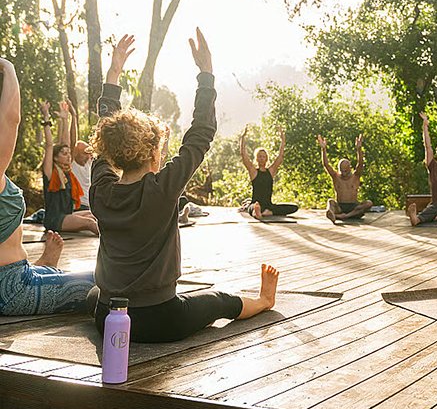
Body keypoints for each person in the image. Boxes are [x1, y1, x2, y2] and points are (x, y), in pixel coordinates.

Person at [90, 31, 279, 343]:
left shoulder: (101, 190)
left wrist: (113, 76)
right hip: (160, 319)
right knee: (218, 301)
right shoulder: (161, 189)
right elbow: (201, 133)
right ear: (153, 154)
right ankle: (263, 301)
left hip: (106, 316)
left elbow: (105, 134)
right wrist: (206, 74)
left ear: (110, 151)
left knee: (93, 293)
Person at [0, 57, 95, 316]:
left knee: (73, 274)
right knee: (106, 282)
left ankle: (45, 264)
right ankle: (45, 266)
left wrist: (68, 117)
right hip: (11, 288)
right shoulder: (49, 169)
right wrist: (8, 67)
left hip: (15, 275)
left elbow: (65, 142)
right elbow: (11, 119)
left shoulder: (67, 169)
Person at [40, 100, 98, 235]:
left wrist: (65, 119)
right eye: (64, 154)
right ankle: (115, 241)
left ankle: (121, 231)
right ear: (55, 158)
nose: (68, 156)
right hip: (55, 219)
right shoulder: (50, 172)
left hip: (67, 215)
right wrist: (46, 117)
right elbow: (49, 145)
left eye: (69, 154)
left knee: (94, 214)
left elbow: (66, 141)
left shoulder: (66, 171)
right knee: (89, 223)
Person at [239, 124, 298, 219]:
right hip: (255, 203)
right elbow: (243, 155)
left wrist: (283, 140)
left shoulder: (271, 171)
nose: (262, 158)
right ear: (256, 159)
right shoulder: (253, 171)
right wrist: (243, 137)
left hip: (268, 205)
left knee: (294, 207)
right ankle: (256, 211)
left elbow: (280, 157)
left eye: (263, 156)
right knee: (251, 206)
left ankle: (267, 212)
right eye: (259, 156)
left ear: (266, 159)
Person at [317, 134, 374, 223]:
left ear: (350, 168)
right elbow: (326, 165)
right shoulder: (336, 177)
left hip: (354, 207)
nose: (344, 173)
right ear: (339, 169)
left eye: (346, 171)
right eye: (342, 171)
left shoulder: (355, 176)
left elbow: (360, 164)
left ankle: (345, 216)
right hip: (340, 206)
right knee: (330, 202)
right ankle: (333, 214)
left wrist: (359, 149)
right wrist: (323, 149)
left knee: (369, 203)